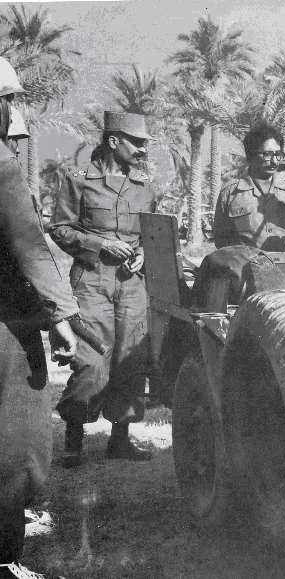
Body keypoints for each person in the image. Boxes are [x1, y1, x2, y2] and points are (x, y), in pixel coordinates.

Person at [0, 56, 80, 577]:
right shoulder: (3, 167)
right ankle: (5, 557)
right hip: (7, 325)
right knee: (18, 447)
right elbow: (30, 248)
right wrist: (63, 317)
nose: (13, 112)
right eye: (8, 101)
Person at [49, 111, 157, 468]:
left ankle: (120, 440)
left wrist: (144, 254)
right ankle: (74, 440)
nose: (142, 150)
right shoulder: (78, 179)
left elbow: (151, 233)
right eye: (136, 142)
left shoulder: (145, 185)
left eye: (144, 143)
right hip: (92, 280)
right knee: (91, 359)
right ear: (113, 141)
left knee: (130, 359)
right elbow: (60, 229)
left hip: (132, 284)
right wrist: (100, 245)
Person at [213, 122, 285, 251]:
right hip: (249, 263)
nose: (274, 161)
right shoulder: (231, 192)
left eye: (278, 154)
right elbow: (221, 239)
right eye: (267, 154)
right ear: (251, 155)